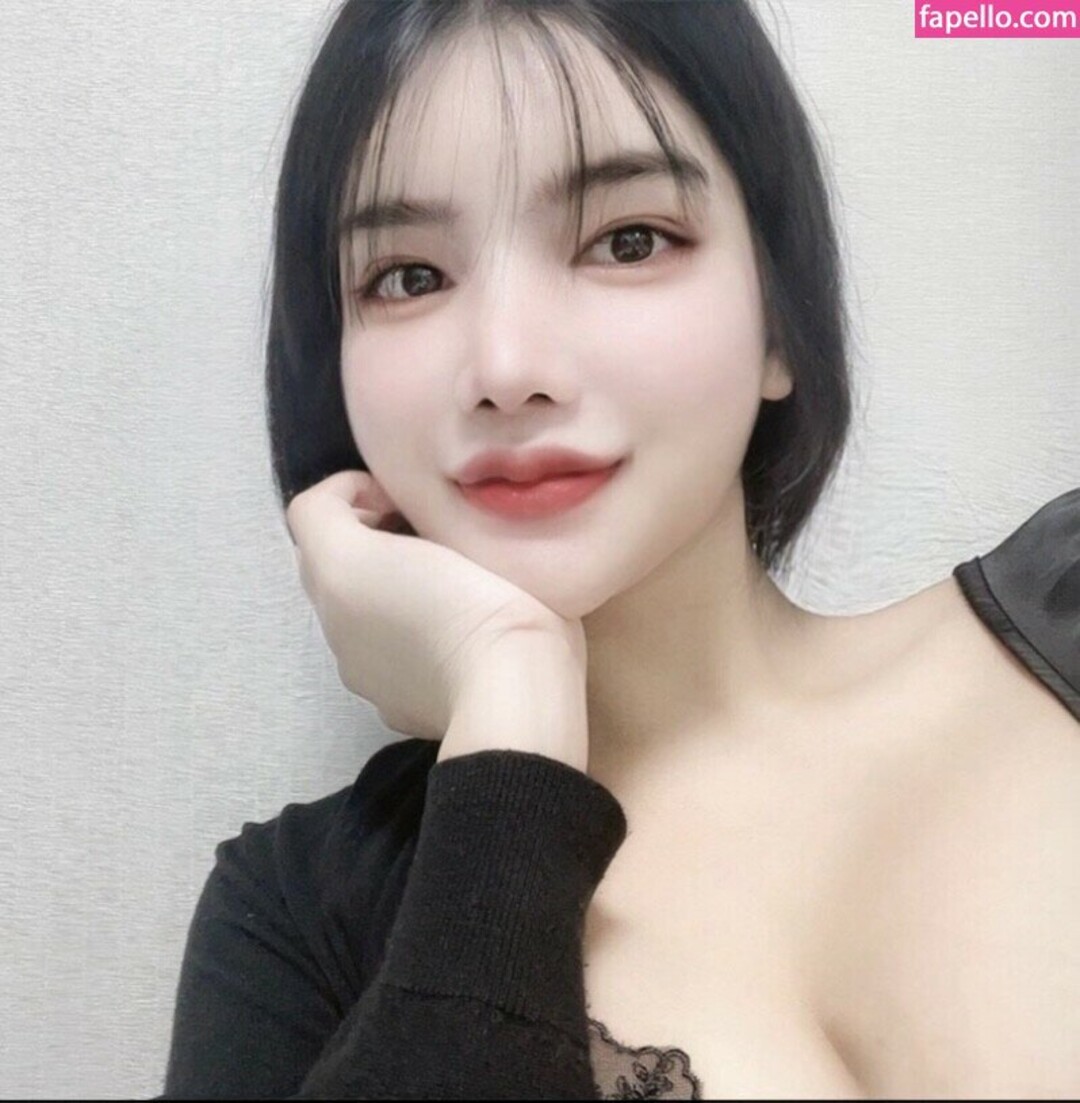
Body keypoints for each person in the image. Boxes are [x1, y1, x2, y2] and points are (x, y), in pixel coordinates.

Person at [161, 1, 1080, 1097]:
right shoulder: (291, 918)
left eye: (627, 240)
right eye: (408, 276)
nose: (508, 367)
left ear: (781, 321)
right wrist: (508, 693)